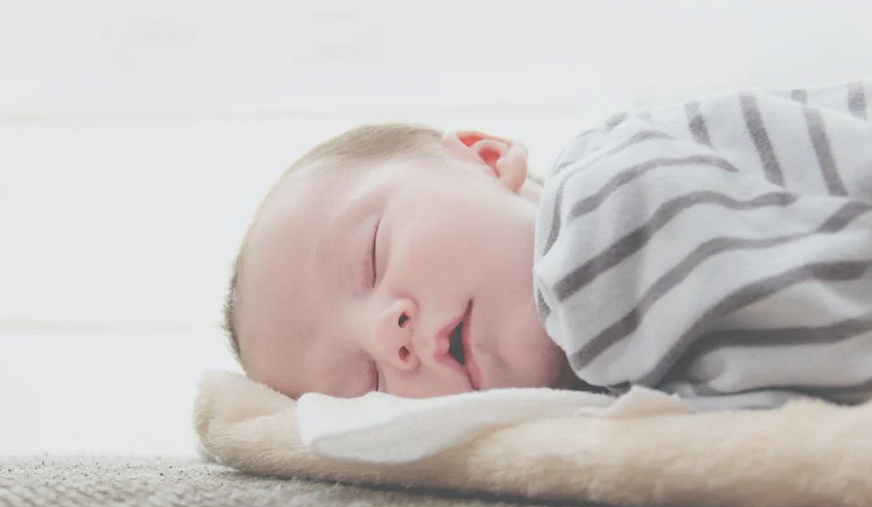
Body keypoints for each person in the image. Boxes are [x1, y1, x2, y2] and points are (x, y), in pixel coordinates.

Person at [223, 79, 872, 409]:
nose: (384, 335)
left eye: (371, 255)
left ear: (485, 157)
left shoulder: (597, 212)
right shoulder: (595, 382)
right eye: (364, 387)